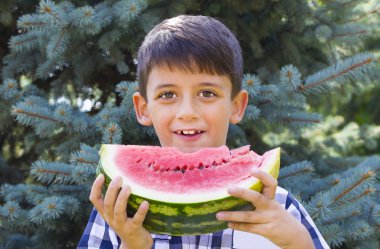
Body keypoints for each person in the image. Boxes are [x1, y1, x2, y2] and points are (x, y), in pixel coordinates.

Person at [78, 15, 329, 249]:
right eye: (168, 95)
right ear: (143, 109)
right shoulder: (119, 208)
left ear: (236, 106)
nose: (187, 112)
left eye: (207, 93)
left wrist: (298, 242)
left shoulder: (276, 207)